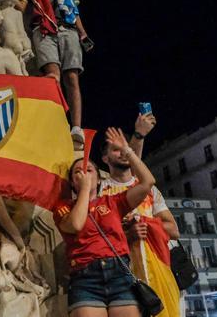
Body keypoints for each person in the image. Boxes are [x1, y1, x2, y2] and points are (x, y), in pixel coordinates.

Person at [53, 128, 157, 316]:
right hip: (85, 278)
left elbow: (147, 182)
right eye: (78, 172)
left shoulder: (113, 201)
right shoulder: (64, 208)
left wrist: (128, 151)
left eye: (89, 170)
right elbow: (75, 225)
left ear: (99, 178)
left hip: (119, 275)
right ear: (72, 182)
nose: (84, 174)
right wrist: (85, 190)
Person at [99, 113, 181, 317]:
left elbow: (173, 230)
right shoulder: (100, 192)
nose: (122, 154)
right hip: (121, 280)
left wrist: (145, 223)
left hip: (159, 273)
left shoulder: (149, 191)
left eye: (125, 149)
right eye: (115, 150)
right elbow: (97, 236)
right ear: (105, 158)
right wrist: (127, 234)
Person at [17, 0, 88, 149]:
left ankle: (76, 128)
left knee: (72, 77)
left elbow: (73, 10)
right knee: (52, 77)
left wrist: (82, 32)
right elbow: (20, 7)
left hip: (68, 30)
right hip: (44, 30)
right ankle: (55, 124)